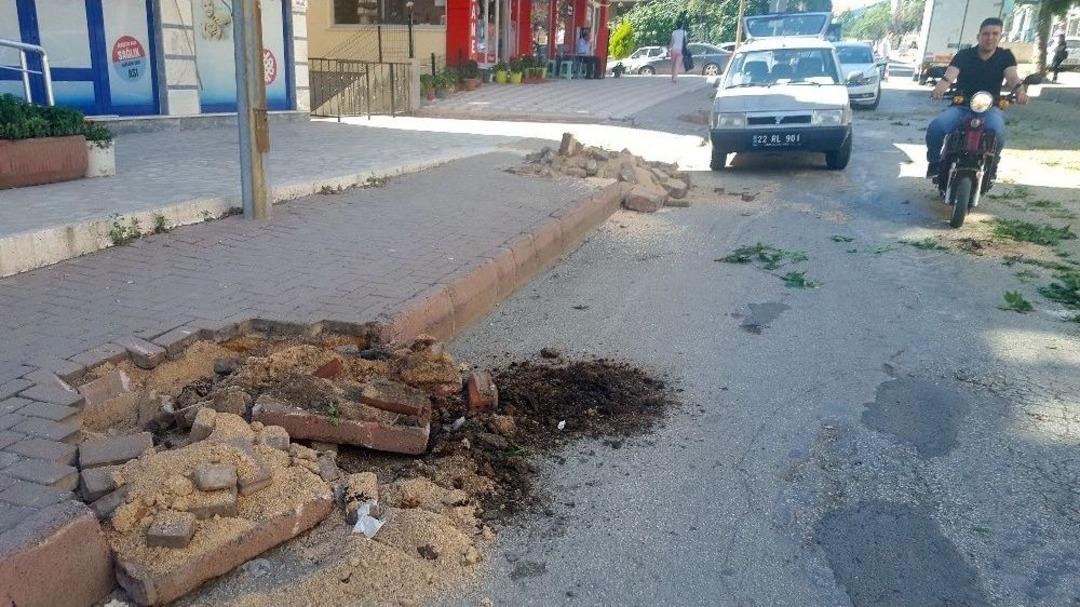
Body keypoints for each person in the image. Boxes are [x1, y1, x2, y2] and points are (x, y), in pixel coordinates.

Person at [925, 17, 1028, 179]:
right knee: (936, 128)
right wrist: (941, 87)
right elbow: (950, 75)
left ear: (1000, 36)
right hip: (962, 106)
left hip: (991, 107)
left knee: (999, 132)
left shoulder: (1005, 56)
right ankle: (934, 163)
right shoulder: (964, 55)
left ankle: (993, 164)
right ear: (978, 36)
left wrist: (1020, 91)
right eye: (986, 34)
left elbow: (1013, 78)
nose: (990, 37)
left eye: (995, 33)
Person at [670, 18, 688, 83]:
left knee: (673, 64)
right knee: (677, 64)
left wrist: (669, 49)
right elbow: (686, 41)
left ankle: (672, 76)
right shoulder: (684, 32)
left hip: (674, 49)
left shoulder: (674, 32)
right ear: (682, 26)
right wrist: (686, 48)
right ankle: (675, 78)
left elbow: (672, 41)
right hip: (681, 50)